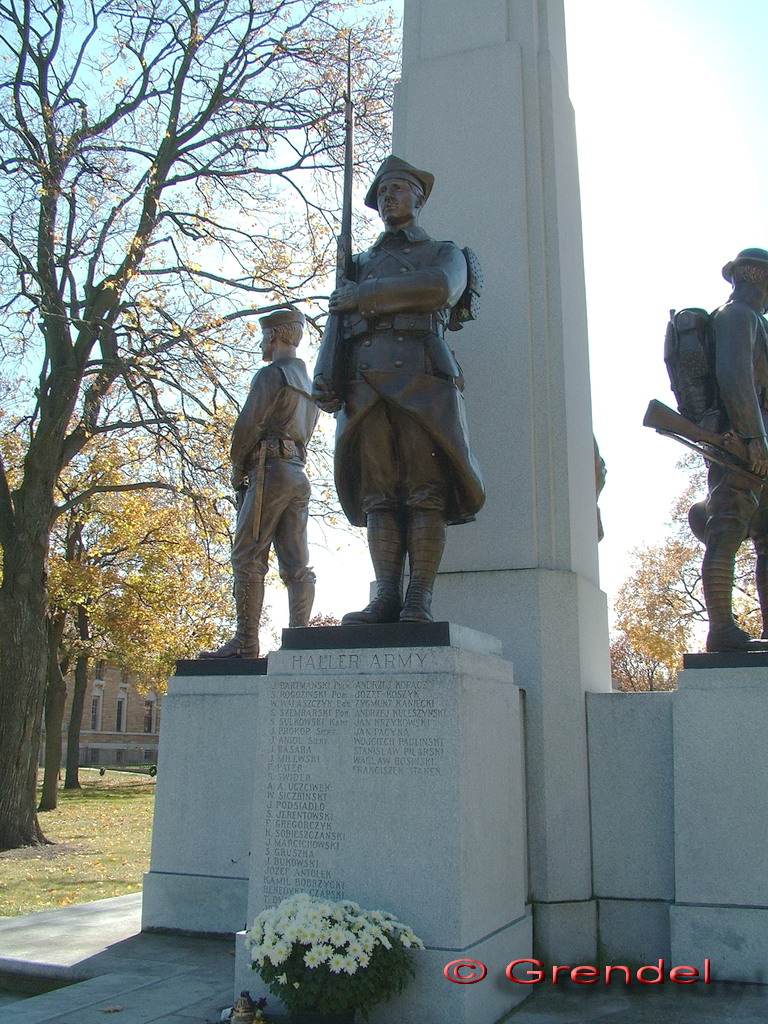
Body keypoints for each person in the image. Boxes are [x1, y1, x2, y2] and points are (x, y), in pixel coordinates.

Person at [314, 155, 484, 624]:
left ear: (419, 197)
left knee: (426, 492)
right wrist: (324, 374)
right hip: (364, 387)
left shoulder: (444, 252)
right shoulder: (360, 263)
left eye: (398, 189)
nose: (388, 197)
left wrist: (364, 298)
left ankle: (418, 600)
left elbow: (436, 290)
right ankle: (387, 595)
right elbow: (337, 320)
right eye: (382, 193)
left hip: (420, 381)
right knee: (379, 497)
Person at [201, 309, 318, 659]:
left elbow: (248, 426)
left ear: (275, 335)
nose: (262, 343)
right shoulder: (309, 386)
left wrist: (238, 468)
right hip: (298, 472)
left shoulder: (272, 375)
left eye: (264, 335)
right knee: (296, 562)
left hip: (270, 470)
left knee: (247, 555)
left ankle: (246, 643)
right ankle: (299, 642)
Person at [699, 248, 768, 652]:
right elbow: (733, 374)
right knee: (726, 529)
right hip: (739, 443)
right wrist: (753, 436)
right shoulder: (737, 317)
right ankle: (721, 628)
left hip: (756, 440)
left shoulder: (754, 321)